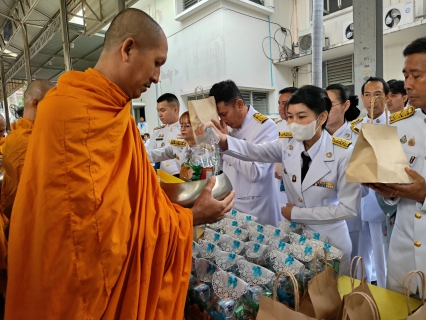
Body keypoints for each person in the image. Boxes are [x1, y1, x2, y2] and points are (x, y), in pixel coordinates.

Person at [4, 8, 234, 320]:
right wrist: (190, 218)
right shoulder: (65, 111)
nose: (157, 77)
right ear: (127, 49)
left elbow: (132, 198)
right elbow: (97, 235)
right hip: (73, 283)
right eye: (156, 63)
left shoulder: (118, 116)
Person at [199, 85, 362, 275]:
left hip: (331, 243)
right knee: (299, 297)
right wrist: (223, 140)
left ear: (322, 117)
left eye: (301, 117)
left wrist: (298, 214)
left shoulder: (343, 152)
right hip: (296, 240)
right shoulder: (287, 143)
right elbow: (255, 151)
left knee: (332, 299)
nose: (293, 123)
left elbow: (348, 208)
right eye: (290, 116)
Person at [365, 37, 426, 295]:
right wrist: (388, 192)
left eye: (416, 75)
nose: (407, 84)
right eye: (405, 75)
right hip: (402, 250)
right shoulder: (401, 126)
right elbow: (393, 194)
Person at [207, 80, 281, 226]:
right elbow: (223, 168)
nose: (223, 120)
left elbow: (255, 172)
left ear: (239, 104)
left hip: (256, 210)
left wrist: (226, 144)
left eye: (224, 114)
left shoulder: (265, 127)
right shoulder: (229, 128)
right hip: (232, 206)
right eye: (219, 116)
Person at [351, 76, 390, 287]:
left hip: (382, 202)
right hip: (357, 200)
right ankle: (363, 295)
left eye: (377, 95)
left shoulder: (395, 125)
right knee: (361, 253)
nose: (372, 100)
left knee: (382, 253)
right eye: (367, 95)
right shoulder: (354, 128)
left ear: (387, 97)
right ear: (361, 98)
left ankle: (386, 294)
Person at [1, 80, 55, 220]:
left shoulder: (34, 134)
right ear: (36, 104)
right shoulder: (21, 141)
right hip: (25, 218)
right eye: (52, 104)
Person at [325, 84, 364, 263]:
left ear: (345, 106)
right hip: (321, 215)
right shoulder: (316, 137)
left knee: (352, 266)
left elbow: (364, 185)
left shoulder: (359, 137)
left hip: (349, 213)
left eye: (330, 105)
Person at [148, 93, 182, 176]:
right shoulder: (157, 132)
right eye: (158, 110)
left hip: (181, 176)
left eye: (163, 110)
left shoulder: (185, 129)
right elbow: (149, 155)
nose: (159, 114)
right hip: (163, 177)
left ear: (175, 110)